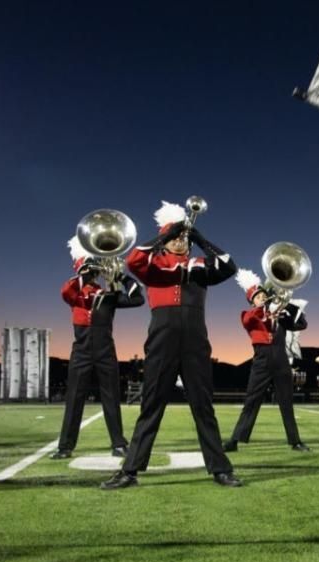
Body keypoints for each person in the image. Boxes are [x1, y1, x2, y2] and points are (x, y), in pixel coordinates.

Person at [101, 201, 240, 489]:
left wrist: (199, 237)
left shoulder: (198, 265)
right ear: (165, 242)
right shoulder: (154, 264)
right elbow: (134, 261)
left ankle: (220, 469)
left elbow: (229, 266)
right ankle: (130, 471)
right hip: (161, 340)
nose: (181, 242)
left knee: (203, 406)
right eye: (176, 237)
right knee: (151, 405)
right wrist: (166, 234)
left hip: (195, 341)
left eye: (183, 238)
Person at [50, 239, 144, 460]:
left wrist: (120, 276)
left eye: (93, 271)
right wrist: (87, 269)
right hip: (81, 349)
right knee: (74, 397)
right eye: (88, 270)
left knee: (111, 397)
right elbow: (66, 291)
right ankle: (65, 446)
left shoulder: (107, 295)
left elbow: (137, 299)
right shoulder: (76, 294)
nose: (93, 275)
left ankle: (118, 444)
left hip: (105, 349)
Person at [224, 270, 310, 452]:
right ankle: (234, 440)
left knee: (286, 402)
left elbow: (302, 325)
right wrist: (267, 307)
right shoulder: (248, 315)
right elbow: (252, 319)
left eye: (264, 295)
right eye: (258, 296)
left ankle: (295, 441)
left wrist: (290, 305)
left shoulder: (280, 315)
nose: (262, 298)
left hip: (281, 360)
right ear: (251, 301)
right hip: (261, 361)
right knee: (251, 401)